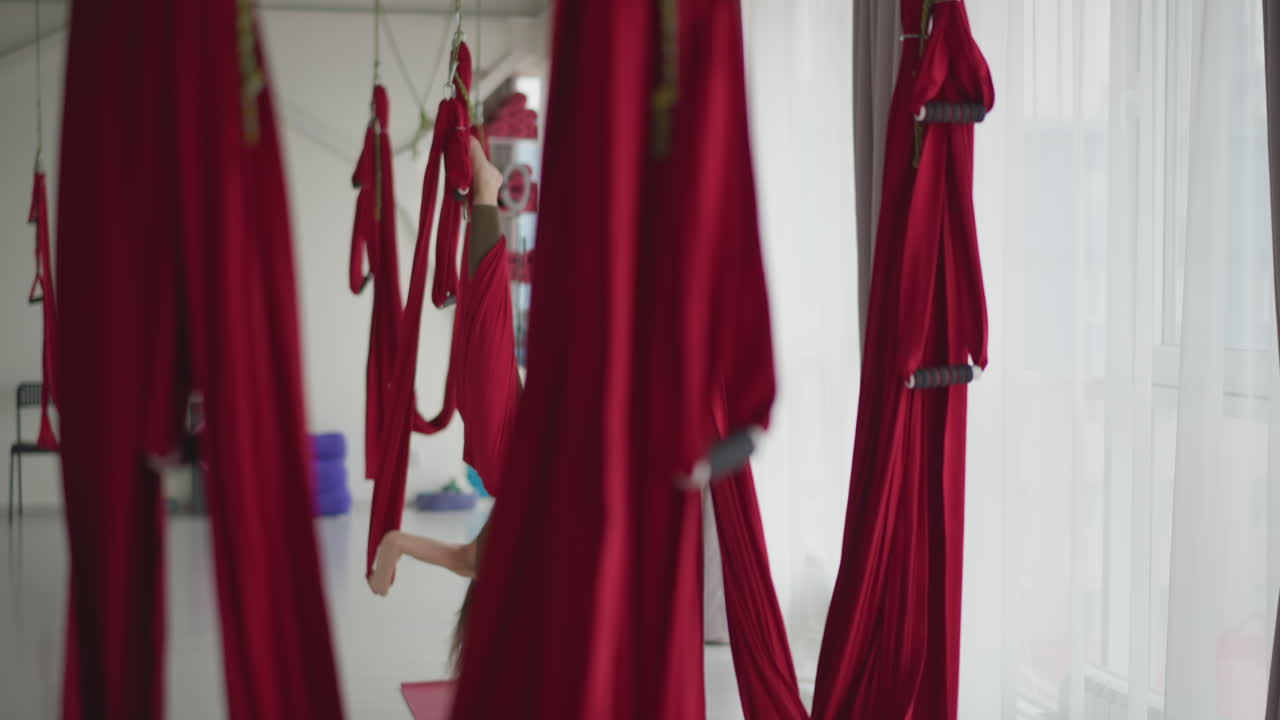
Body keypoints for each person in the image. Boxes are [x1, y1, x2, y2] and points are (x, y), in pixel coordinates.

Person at [367, 135, 511, 665]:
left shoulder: (481, 563)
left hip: (521, 460)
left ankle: (484, 200)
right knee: (484, 344)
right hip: (558, 455)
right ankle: (486, 201)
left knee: (481, 343)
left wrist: (386, 555)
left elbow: (403, 543)